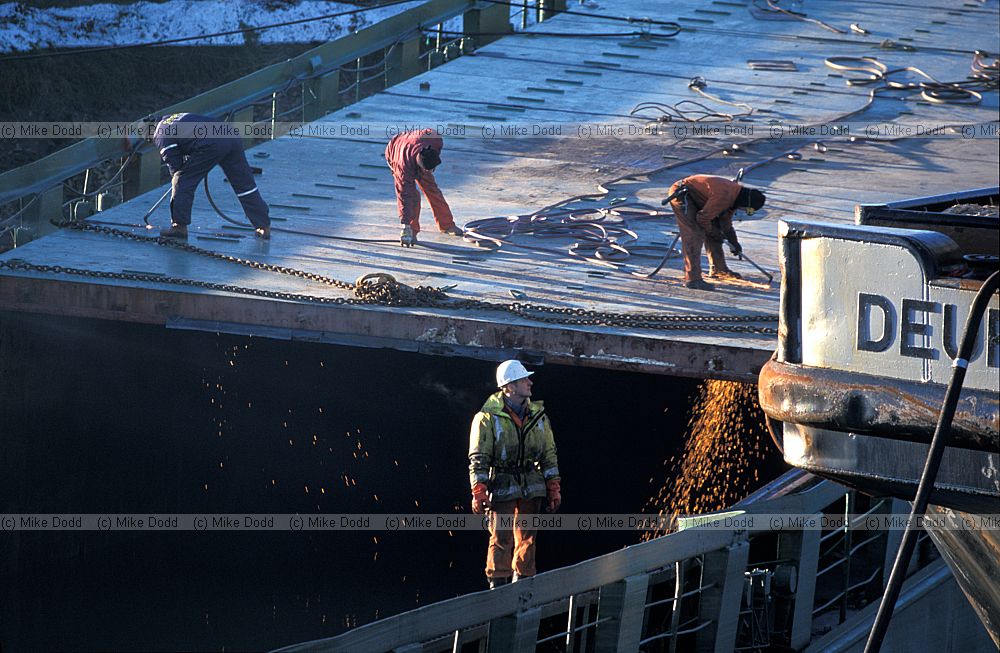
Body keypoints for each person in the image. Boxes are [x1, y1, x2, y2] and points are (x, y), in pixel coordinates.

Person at [468, 360, 561, 589]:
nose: (530, 382)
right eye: (523, 379)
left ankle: (523, 584)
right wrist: (479, 490)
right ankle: (498, 584)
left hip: (532, 485)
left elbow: (549, 454)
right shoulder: (487, 418)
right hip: (502, 484)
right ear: (509, 386)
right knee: (501, 537)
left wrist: (553, 486)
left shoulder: (539, 416)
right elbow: (479, 458)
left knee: (528, 539)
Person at [152, 113, 271, 239]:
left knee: (181, 181)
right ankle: (263, 225)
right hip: (229, 133)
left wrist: (180, 177)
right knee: (245, 184)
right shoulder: (173, 117)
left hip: (211, 143)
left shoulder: (160, 134)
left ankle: (179, 227)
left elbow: (175, 167)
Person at [664, 174, 766, 290]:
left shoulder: (735, 197)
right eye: (748, 210)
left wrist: (734, 242)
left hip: (700, 199)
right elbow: (703, 218)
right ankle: (693, 279)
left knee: (715, 229)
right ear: (746, 203)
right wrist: (714, 233)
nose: (744, 211)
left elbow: (725, 224)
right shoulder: (725, 196)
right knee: (694, 234)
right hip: (683, 195)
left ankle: (719, 270)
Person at [385, 128, 463, 247]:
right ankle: (412, 231)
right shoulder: (403, 170)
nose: (432, 171)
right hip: (396, 152)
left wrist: (430, 166)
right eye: (429, 169)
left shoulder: (434, 140)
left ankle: (447, 225)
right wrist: (405, 226)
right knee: (413, 197)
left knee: (432, 190)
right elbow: (404, 197)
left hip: (412, 145)